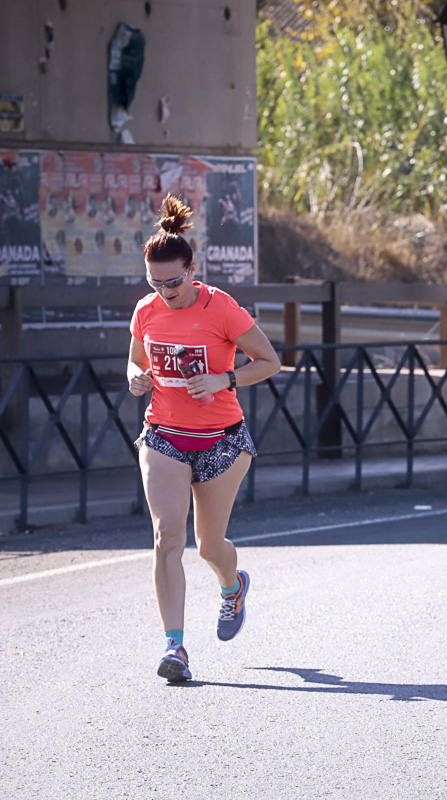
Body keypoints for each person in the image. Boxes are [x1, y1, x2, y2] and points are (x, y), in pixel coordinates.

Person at [127, 194, 280, 683]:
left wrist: (225, 379)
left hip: (221, 439)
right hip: (164, 435)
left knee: (209, 546)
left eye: (173, 281)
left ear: (193, 269)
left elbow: (270, 362)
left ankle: (232, 586)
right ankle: (175, 648)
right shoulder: (147, 310)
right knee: (166, 537)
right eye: (156, 282)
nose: (165, 291)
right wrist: (136, 376)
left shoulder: (223, 309)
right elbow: (136, 359)